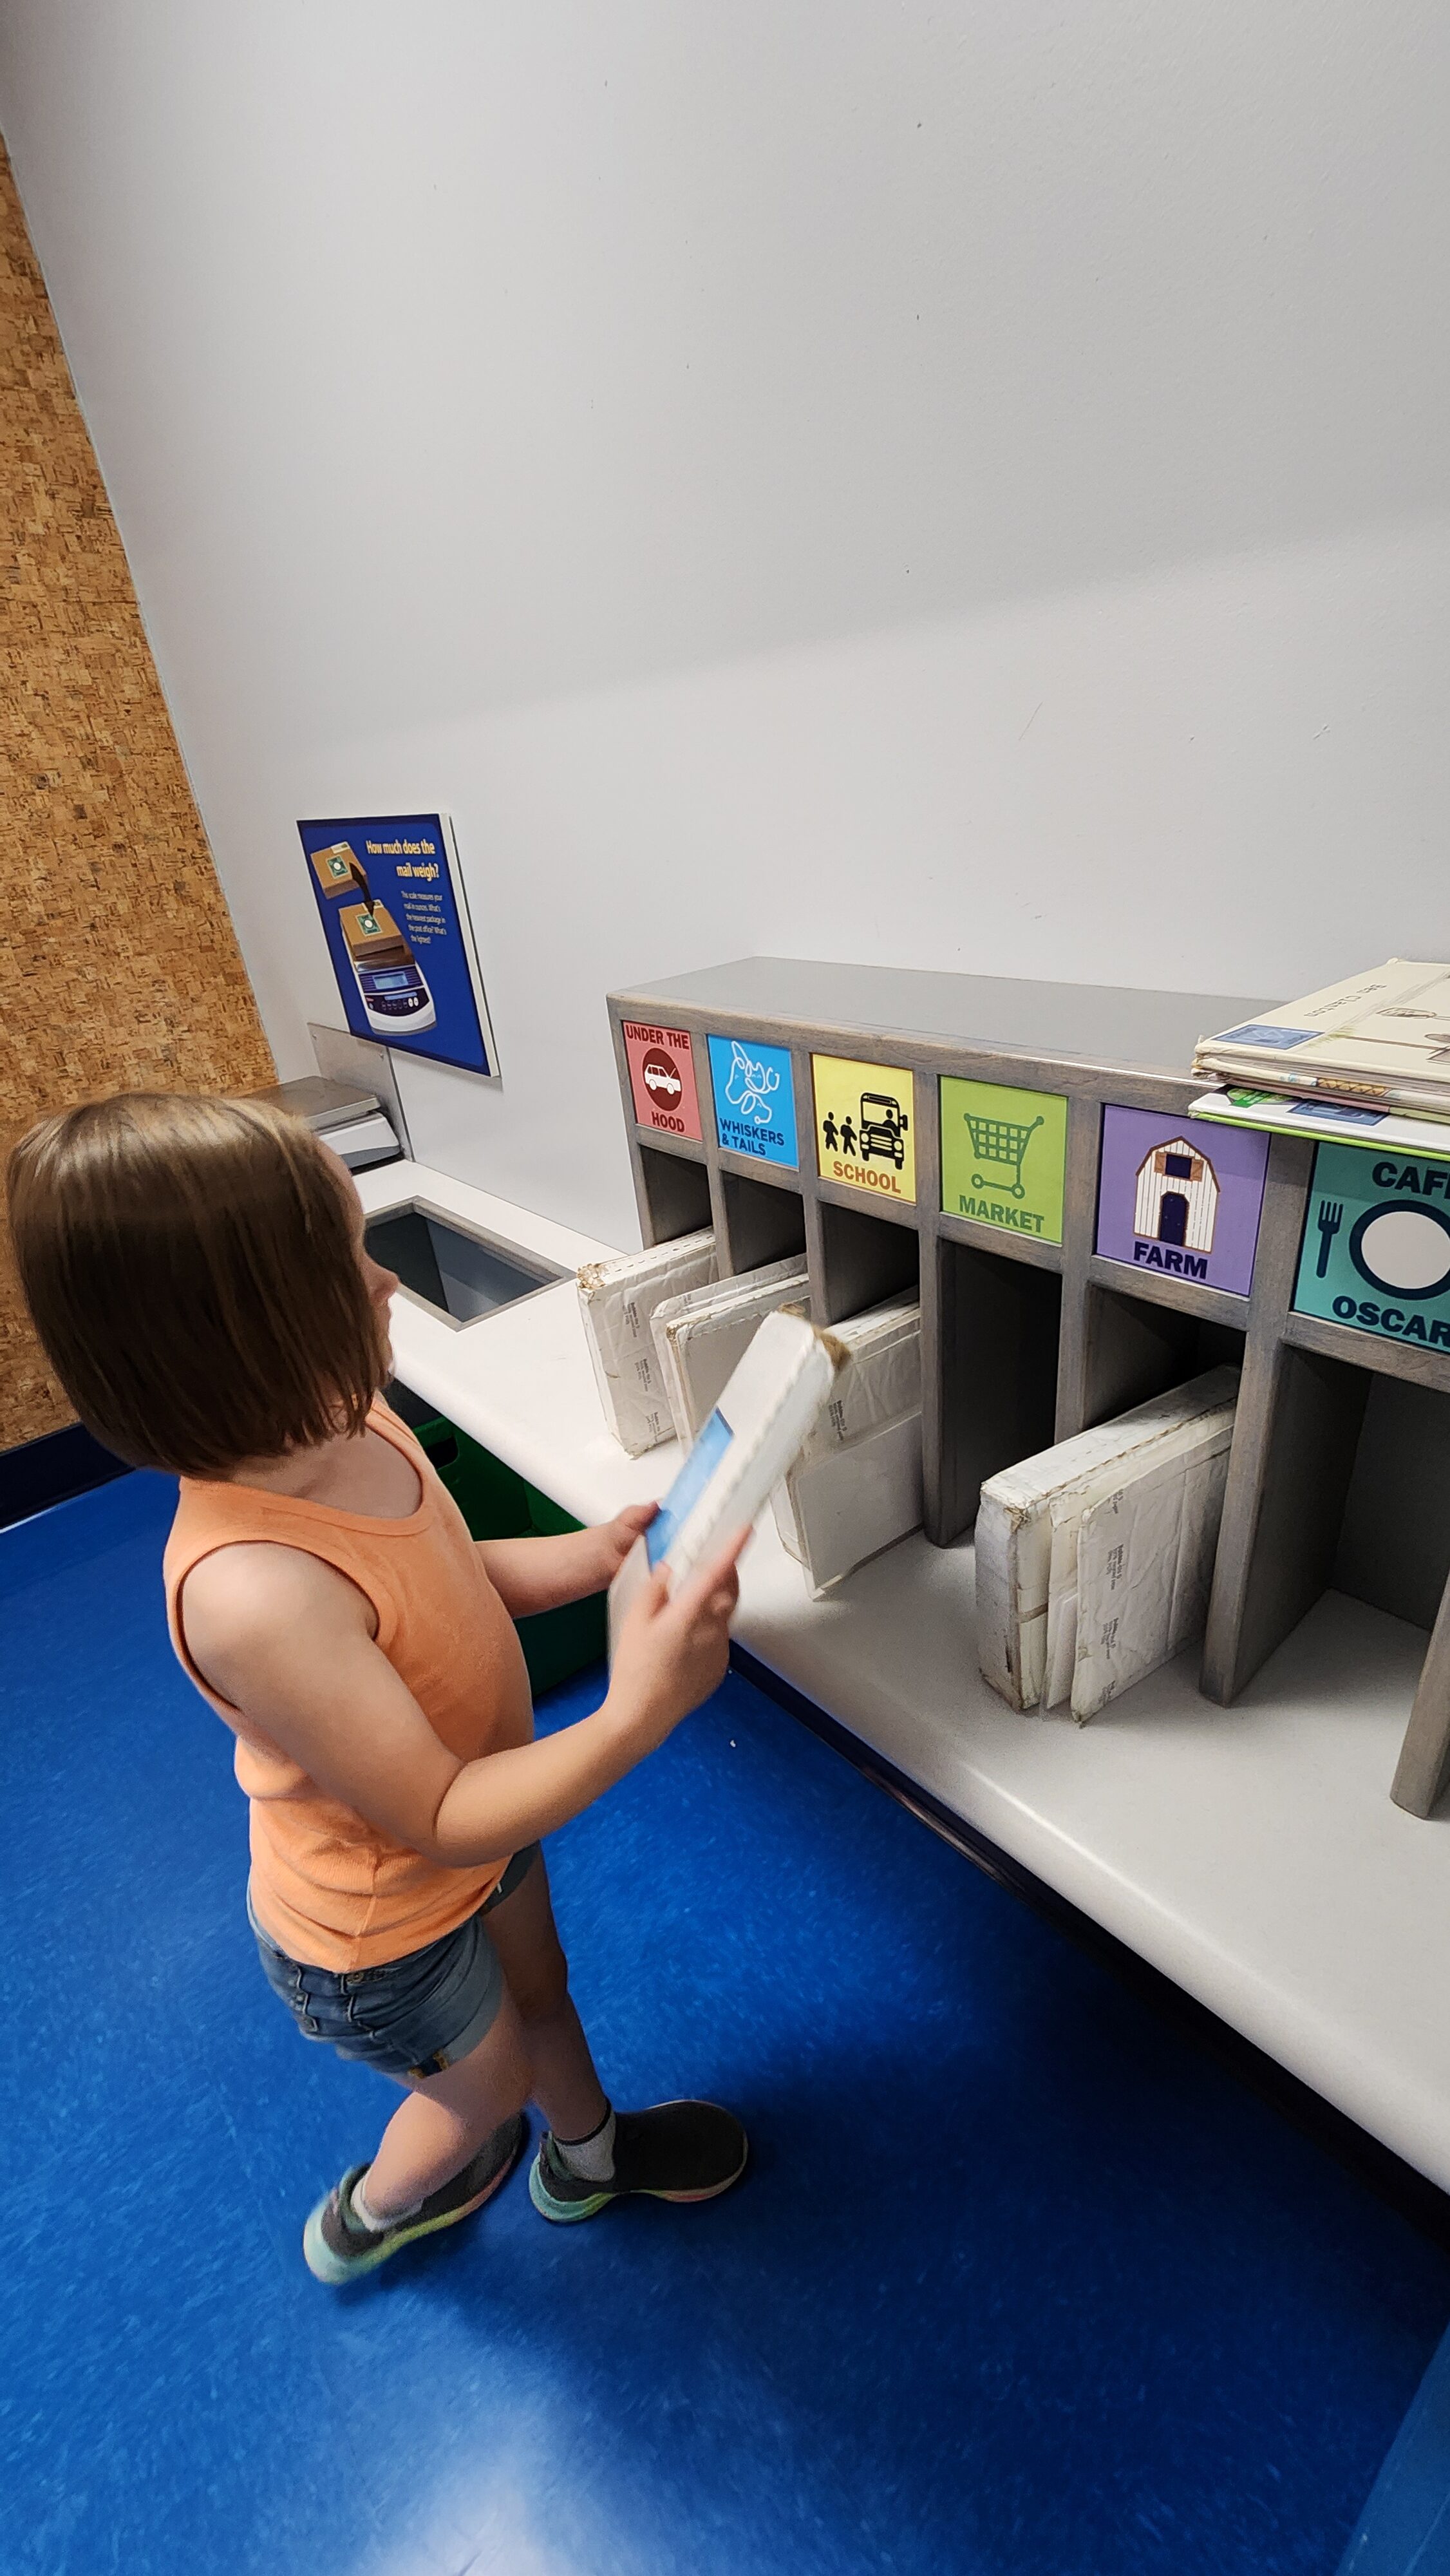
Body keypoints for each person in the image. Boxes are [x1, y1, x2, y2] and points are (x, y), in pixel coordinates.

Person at [7, 1093, 749, 2286]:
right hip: (378, 1929)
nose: (385, 1281)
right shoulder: (251, 1590)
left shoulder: (351, 1421)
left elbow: (445, 1577)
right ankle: (376, 2206)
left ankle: (591, 2158)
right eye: (344, 1266)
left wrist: (591, 1559)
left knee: (542, 1992)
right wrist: (636, 1712)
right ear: (231, 1336)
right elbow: (437, 1810)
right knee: (484, 2088)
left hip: (488, 1824)